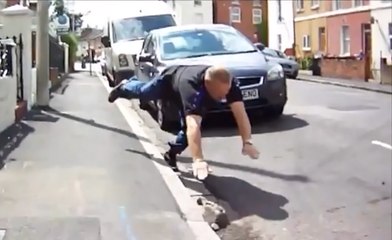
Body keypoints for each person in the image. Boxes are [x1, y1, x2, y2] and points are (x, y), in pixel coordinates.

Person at [108, 65, 260, 180]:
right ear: (208, 85)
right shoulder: (193, 89)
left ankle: (171, 154)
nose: (224, 97)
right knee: (143, 93)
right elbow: (193, 125)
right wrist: (198, 160)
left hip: (188, 86)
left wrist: (247, 141)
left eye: (226, 93)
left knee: (187, 134)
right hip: (169, 82)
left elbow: (240, 113)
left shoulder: (229, 84)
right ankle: (125, 86)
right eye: (220, 93)